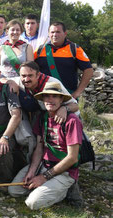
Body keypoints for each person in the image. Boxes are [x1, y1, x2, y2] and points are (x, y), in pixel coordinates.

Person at [8, 82, 83, 210]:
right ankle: (48, 188)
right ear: (43, 100)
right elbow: (39, 147)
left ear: (61, 100)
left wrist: (44, 177)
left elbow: (72, 158)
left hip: (65, 171)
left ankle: (64, 191)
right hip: (44, 165)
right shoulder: (43, 118)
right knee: (14, 190)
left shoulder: (71, 121)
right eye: (47, 96)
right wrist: (32, 171)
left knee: (32, 203)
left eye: (54, 96)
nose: (50, 100)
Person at [3, 61, 78, 125]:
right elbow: (0, 79)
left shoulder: (52, 83)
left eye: (30, 75)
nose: (26, 79)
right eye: (23, 76)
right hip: (45, 119)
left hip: (67, 120)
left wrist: (64, 108)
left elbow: (75, 106)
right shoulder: (20, 81)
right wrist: (10, 82)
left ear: (38, 75)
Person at [34, 22, 93, 99]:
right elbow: (30, 69)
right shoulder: (40, 50)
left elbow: (89, 70)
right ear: (48, 34)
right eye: (52, 32)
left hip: (68, 95)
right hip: (45, 96)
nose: (55, 35)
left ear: (65, 33)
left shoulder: (74, 49)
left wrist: (77, 93)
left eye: (58, 32)